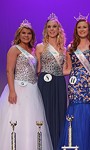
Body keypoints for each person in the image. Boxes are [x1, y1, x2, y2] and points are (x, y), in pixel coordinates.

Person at [0, 19, 53, 150]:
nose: (26, 35)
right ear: (19, 34)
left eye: (29, 33)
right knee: (17, 117)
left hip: (32, 88)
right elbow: (9, 71)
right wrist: (12, 91)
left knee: (31, 120)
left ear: (32, 36)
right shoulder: (14, 49)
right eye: (23, 33)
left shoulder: (33, 51)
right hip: (18, 87)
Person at [59, 14, 90, 150]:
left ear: (89, 29)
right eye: (79, 27)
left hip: (89, 83)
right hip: (75, 84)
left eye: (84, 27)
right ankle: (74, 143)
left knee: (88, 110)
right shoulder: (71, 47)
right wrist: (51, 72)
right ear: (76, 30)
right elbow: (67, 69)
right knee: (76, 110)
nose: (82, 29)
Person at [36, 13, 67, 150]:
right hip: (45, 81)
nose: (52, 29)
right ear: (46, 29)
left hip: (59, 82)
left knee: (60, 112)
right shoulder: (40, 47)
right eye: (49, 27)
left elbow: (66, 69)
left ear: (59, 29)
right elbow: (37, 69)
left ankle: (57, 144)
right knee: (46, 111)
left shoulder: (64, 49)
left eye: (54, 26)